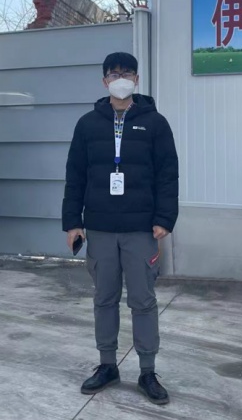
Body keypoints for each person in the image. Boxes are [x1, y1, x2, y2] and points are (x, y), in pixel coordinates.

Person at [62, 52, 178, 406]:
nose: (120, 78)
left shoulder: (155, 123)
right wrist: (73, 222)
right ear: (104, 81)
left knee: (143, 300)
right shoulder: (87, 124)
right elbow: (75, 176)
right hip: (100, 228)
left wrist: (164, 218)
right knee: (104, 299)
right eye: (113, 74)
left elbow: (168, 174)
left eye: (127, 73)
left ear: (136, 79)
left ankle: (147, 371)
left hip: (141, 229)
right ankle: (107, 365)